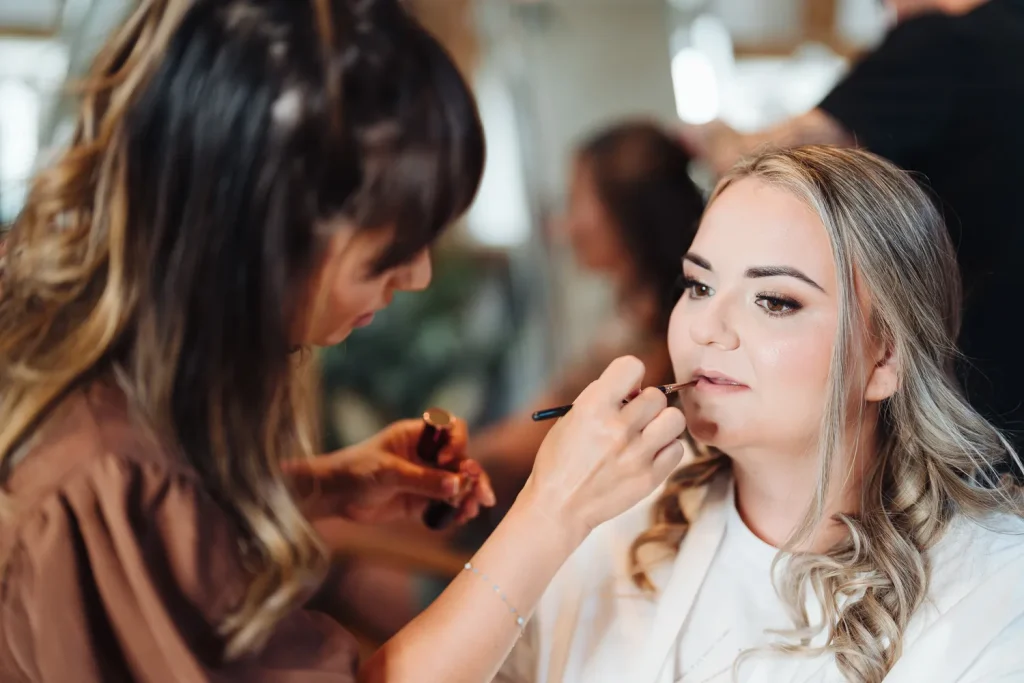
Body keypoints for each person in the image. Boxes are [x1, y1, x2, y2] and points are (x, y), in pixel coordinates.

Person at [0, 1, 688, 681]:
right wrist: (552, 513)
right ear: (258, 236)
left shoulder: (114, 405)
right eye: (388, 251)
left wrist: (327, 485)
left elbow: (176, 529)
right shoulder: (107, 476)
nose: (418, 276)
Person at [497, 146, 1024, 683]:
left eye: (773, 301)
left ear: (885, 358)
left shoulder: (995, 599)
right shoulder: (611, 515)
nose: (705, 328)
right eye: (699, 286)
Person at [681, 0, 1024, 450]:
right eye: (697, 287)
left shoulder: (942, 44)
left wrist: (708, 134)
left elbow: (772, 163)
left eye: (777, 302)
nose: (886, 10)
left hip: (973, 385)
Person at [472, 121, 704, 492]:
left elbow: (527, 442)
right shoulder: (633, 318)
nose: (563, 225)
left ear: (625, 211)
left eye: (574, 200)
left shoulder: (658, 345)